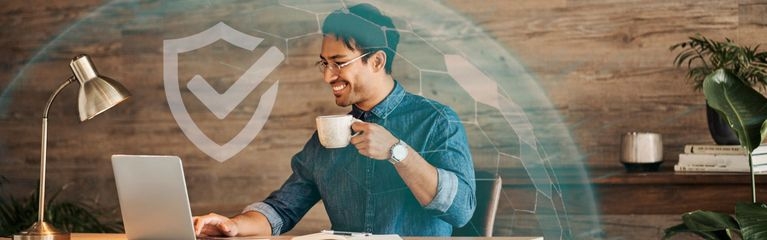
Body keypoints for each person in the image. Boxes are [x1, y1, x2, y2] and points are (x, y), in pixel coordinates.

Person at [193, 3, 475, 237]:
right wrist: (233, 226)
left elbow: (461, 211)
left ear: (376, 61)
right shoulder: (328, 135)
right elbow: (282, 210)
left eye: (338, 63)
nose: (328, 76)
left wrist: (396, 151)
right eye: (324, 63)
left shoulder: (436, 121)